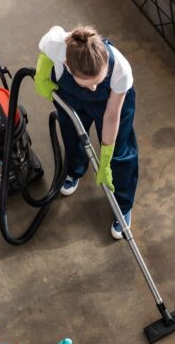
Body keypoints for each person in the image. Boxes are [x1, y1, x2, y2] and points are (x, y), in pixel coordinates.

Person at [34, 25, 138, 239]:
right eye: (88, 84)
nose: (93, 88)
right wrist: (43, 73)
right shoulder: (56, 45)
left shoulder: (121, 71)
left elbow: (111, 117)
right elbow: (44, 47)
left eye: (97, 82)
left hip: (111, 104)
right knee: (71, 132)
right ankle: (75, 170)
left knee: (119, 151)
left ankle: (123, 205)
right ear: (66, 65)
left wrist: (106, 158)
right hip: (71, 96)